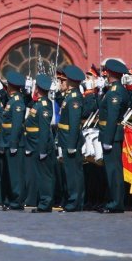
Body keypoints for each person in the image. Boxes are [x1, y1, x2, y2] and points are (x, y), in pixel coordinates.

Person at [97, 58, 131, 214]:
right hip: (110, 133)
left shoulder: (115, 92)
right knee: (111, 170)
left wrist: (108, 139)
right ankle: (112, 200)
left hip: (111, 134)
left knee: (114, 171)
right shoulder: (113, 90)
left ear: (109, 73)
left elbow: (112, 116)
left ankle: (116, 203)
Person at [58, 64, 86, 212]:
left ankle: (74, 202)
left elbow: (74, 123)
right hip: (66, 137)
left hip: (71, 138)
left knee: (73, 172)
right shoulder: (69, 96)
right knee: (71, 171)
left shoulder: (74, 98)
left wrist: (71, 143)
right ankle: (75, 201)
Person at [26, 74, 54, 213]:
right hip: (35, 143)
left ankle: (45, 203)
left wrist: (43, 149)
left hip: (40, 144)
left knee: (44, 176)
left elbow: (44, 129)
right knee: (41, 175)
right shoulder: (39, 103)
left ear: (38, 88)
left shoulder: (44, 105)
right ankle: (43, 202)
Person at [0, 71, 26, 211]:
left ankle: (17, 201)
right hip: (7, 140)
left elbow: (16, 125)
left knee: (15, 175)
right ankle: (11, 199)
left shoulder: (17, 102)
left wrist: (14, 143)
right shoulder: (11, 100)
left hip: (13, 141)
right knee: (9, 173)